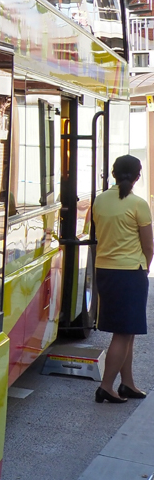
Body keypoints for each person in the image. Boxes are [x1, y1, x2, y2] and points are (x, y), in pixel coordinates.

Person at [90, 154, 153, 403]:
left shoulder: (99, 201)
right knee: (123, 333)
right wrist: (145, 269)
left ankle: (127, 384)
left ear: (113, 174)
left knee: (127, 331)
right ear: (138, 176)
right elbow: (149, 246)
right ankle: (106, 387)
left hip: (105, 270)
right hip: (130, 273)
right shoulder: (138, 204)